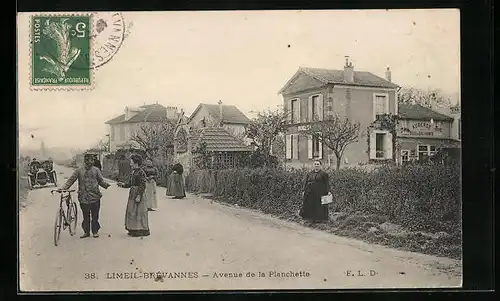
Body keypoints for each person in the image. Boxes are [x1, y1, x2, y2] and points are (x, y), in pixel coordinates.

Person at [62, 153, 110, 238]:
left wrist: (106, 185)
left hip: (95, 196)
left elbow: (100, 181)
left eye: (91, 160)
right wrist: (64, 187)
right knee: (86, 215)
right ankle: (86, 232)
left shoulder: (96, 170)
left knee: (95, 216)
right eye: (88, 160)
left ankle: (95, 231)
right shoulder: (79, 171)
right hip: (83, 197)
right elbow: (71, 179)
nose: (90, 162)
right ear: (85, 161)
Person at [117, 154, 150, 237]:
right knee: (132, 211)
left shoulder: (141, 172)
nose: (130, 164)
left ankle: (140, 230)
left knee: (138, 211)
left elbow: (142, 185)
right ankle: (133, 229)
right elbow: (130, 184)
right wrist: (123, 184)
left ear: (136, 162)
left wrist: (139, 195)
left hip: (138, 193)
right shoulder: (134, 172)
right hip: (132, 193)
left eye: (131, 162)